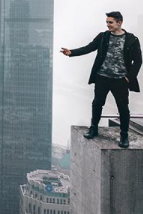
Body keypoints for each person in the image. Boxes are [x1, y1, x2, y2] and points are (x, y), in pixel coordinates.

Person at [61, 11, 142, 148]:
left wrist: (129, 78)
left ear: (119, 22)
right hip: (102, 77)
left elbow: (138, 61)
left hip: (120, 80)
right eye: (107, 22)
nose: (108, 25)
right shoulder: (103, 37)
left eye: (110, 22)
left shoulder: (131, 40)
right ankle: (93, 128)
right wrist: (71, 53)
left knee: (123, 108)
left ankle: (124, 135)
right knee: (97, 103)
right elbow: (89, 47)